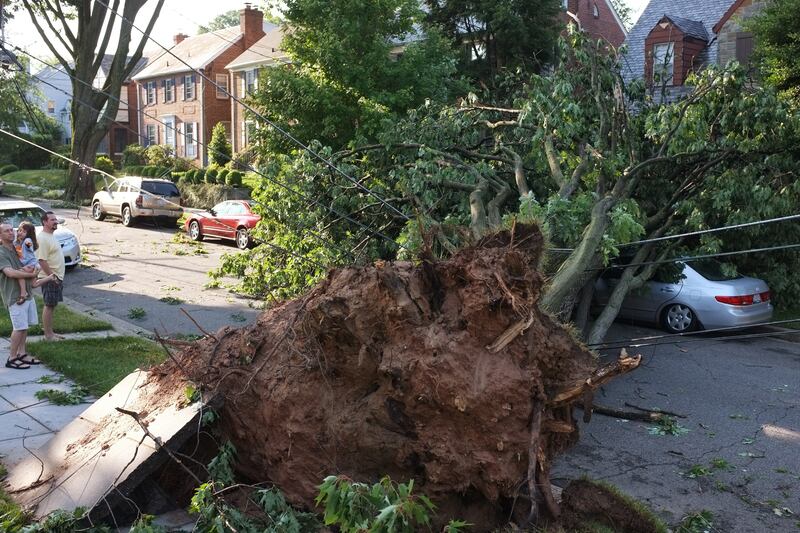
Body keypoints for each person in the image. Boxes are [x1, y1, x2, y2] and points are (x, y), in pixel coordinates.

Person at [0, 222, 51, 369]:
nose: (11, 232)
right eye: (7, 231)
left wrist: (32, 273)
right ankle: (12, 358)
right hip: (15, 296)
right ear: (0, 235)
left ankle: (22, 353)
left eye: (12, 230)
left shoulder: (16, 249)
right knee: (19, 327)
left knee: (24, 326)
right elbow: (9, 273)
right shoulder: (1, 252)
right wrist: (32, 274)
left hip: (27, 294)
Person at [36, 211, 66, 341]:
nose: (55, 222)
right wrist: (51, 277)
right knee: (49, 305)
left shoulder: (50, 236)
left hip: (55, 277)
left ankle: (50, 332)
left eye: (56, 219)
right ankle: (48, 335)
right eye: (52, 220)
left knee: (52, 305)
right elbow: (41, 260)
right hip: (49, 278)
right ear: (45, 222)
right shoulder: (42, 238)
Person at [13, 221, 45, 304]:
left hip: (31, 264)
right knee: (33, 284)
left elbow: (29, 244)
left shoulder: (27, 240)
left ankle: (23, 293)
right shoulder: (20, 241)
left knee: (19, 273)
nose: (21, 233)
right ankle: (50, 278)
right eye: (20, 230)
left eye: (24, 231)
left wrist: (28, 244)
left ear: (28, 233)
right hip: (33, 264)